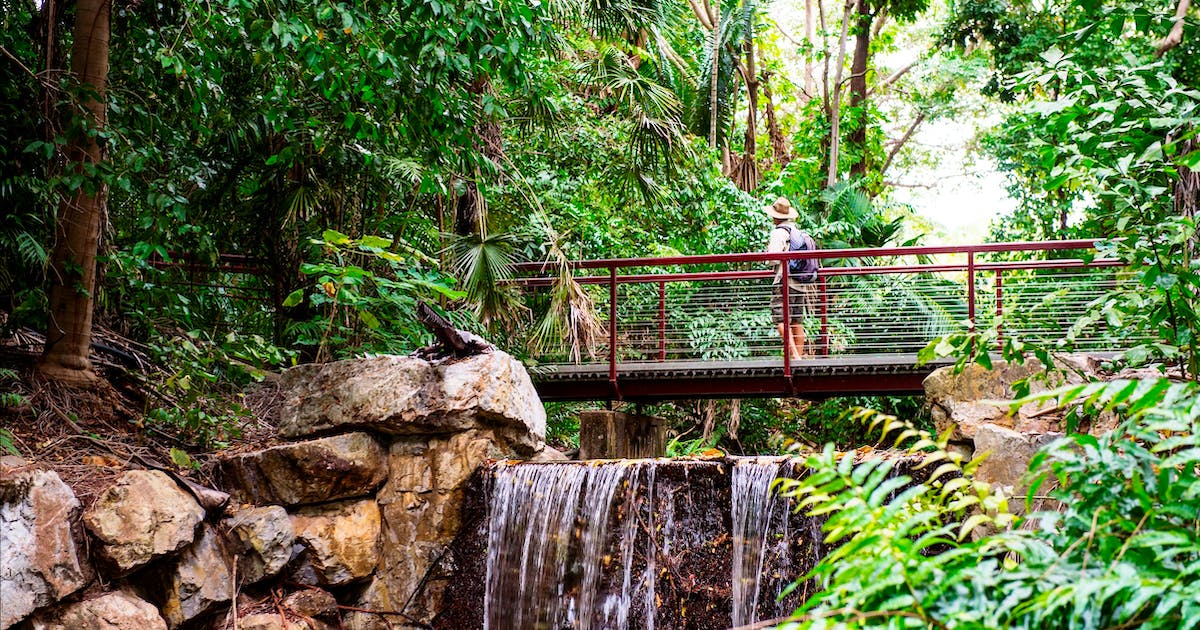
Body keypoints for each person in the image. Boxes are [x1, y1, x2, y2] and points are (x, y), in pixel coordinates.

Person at [765, 197, 816, 360]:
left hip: (784, 281)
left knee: (780, 319)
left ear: (775, 217)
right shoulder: (798, 232)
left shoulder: (778, 233)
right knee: (796, 321)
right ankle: (798, 358)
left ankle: (795, 357)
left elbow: (772, 259)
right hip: (800, 283)